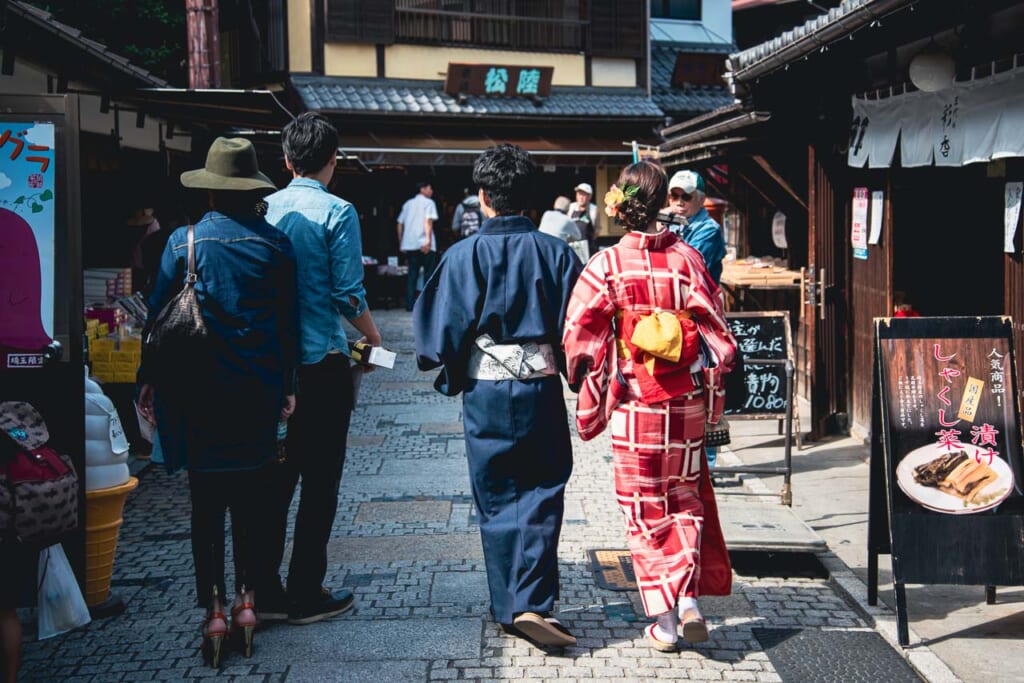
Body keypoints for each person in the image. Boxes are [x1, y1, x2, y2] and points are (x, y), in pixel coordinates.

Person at [562, 161, 736, 653]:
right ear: (663, 204)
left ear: (621, 205)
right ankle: (690, 604)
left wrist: (593, 375)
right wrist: (712, 393)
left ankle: (663, 619)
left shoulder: (608, 264)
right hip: (684, 405)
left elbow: (577, 336)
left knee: (643, 509)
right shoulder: (687, 259)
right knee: (685, 499)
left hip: (638, 402)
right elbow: (719, 336)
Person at [137, 137, 298, 668]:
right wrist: (288, 389)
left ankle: (213, 613)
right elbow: (286, 327)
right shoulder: (276, 245)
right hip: (255, 391)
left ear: (209, 190)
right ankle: (248, 603)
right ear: (252, 188)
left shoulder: (182, 243)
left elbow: (157, 319)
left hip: (195, 395)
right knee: (252, 502)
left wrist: (148, 382)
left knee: (206, 507)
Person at [413, 144, 582, 649]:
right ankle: (532, 601)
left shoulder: (461, 256)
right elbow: (582, 331)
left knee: (495, 494)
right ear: (528, 199)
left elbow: (434, 339)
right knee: (543, 488)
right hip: (539, 387)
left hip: (486, 390)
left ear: (482, 197)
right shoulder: (556, 253)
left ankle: (509, 604)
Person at [261, 112, 382, 625]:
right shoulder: (339, 211)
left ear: (287, 161)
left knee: (273, 481)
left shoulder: (261, 206)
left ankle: (262, 589)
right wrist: (373, 339)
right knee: (320, 482)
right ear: (333, 160)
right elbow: (347, 293)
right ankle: (306, 590)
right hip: (323, 364)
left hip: (269, 366)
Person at [665, 169, 727, 467]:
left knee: (706, 382)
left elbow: (686, 267)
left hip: (702, 317)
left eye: (685, 196)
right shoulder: (672, 223)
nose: (678, 202)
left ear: (699, 200)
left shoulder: (708, 229)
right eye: (673, 195)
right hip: (676, 317)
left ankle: (708, 459)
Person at [397, 181, 439, 311]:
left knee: (412, 275)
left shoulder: (408, 204)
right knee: (428, 275)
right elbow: (428, 221)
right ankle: (426, 305)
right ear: (423, 189)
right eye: (430, 188)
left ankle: (409, 305)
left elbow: (399, 223)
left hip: (410, 244)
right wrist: (428, 241)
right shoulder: (429, 203)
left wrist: (401, 242)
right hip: (424, 244)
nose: (431, 191)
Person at [568, 182, 600, 255]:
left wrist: (590, 242)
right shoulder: (570, 207)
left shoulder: (594, 209)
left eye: (584, 195)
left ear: (590, 197)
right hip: (572, 246)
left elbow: (597, 228)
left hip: (588, 248)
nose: (581, 197)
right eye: (579, 194)